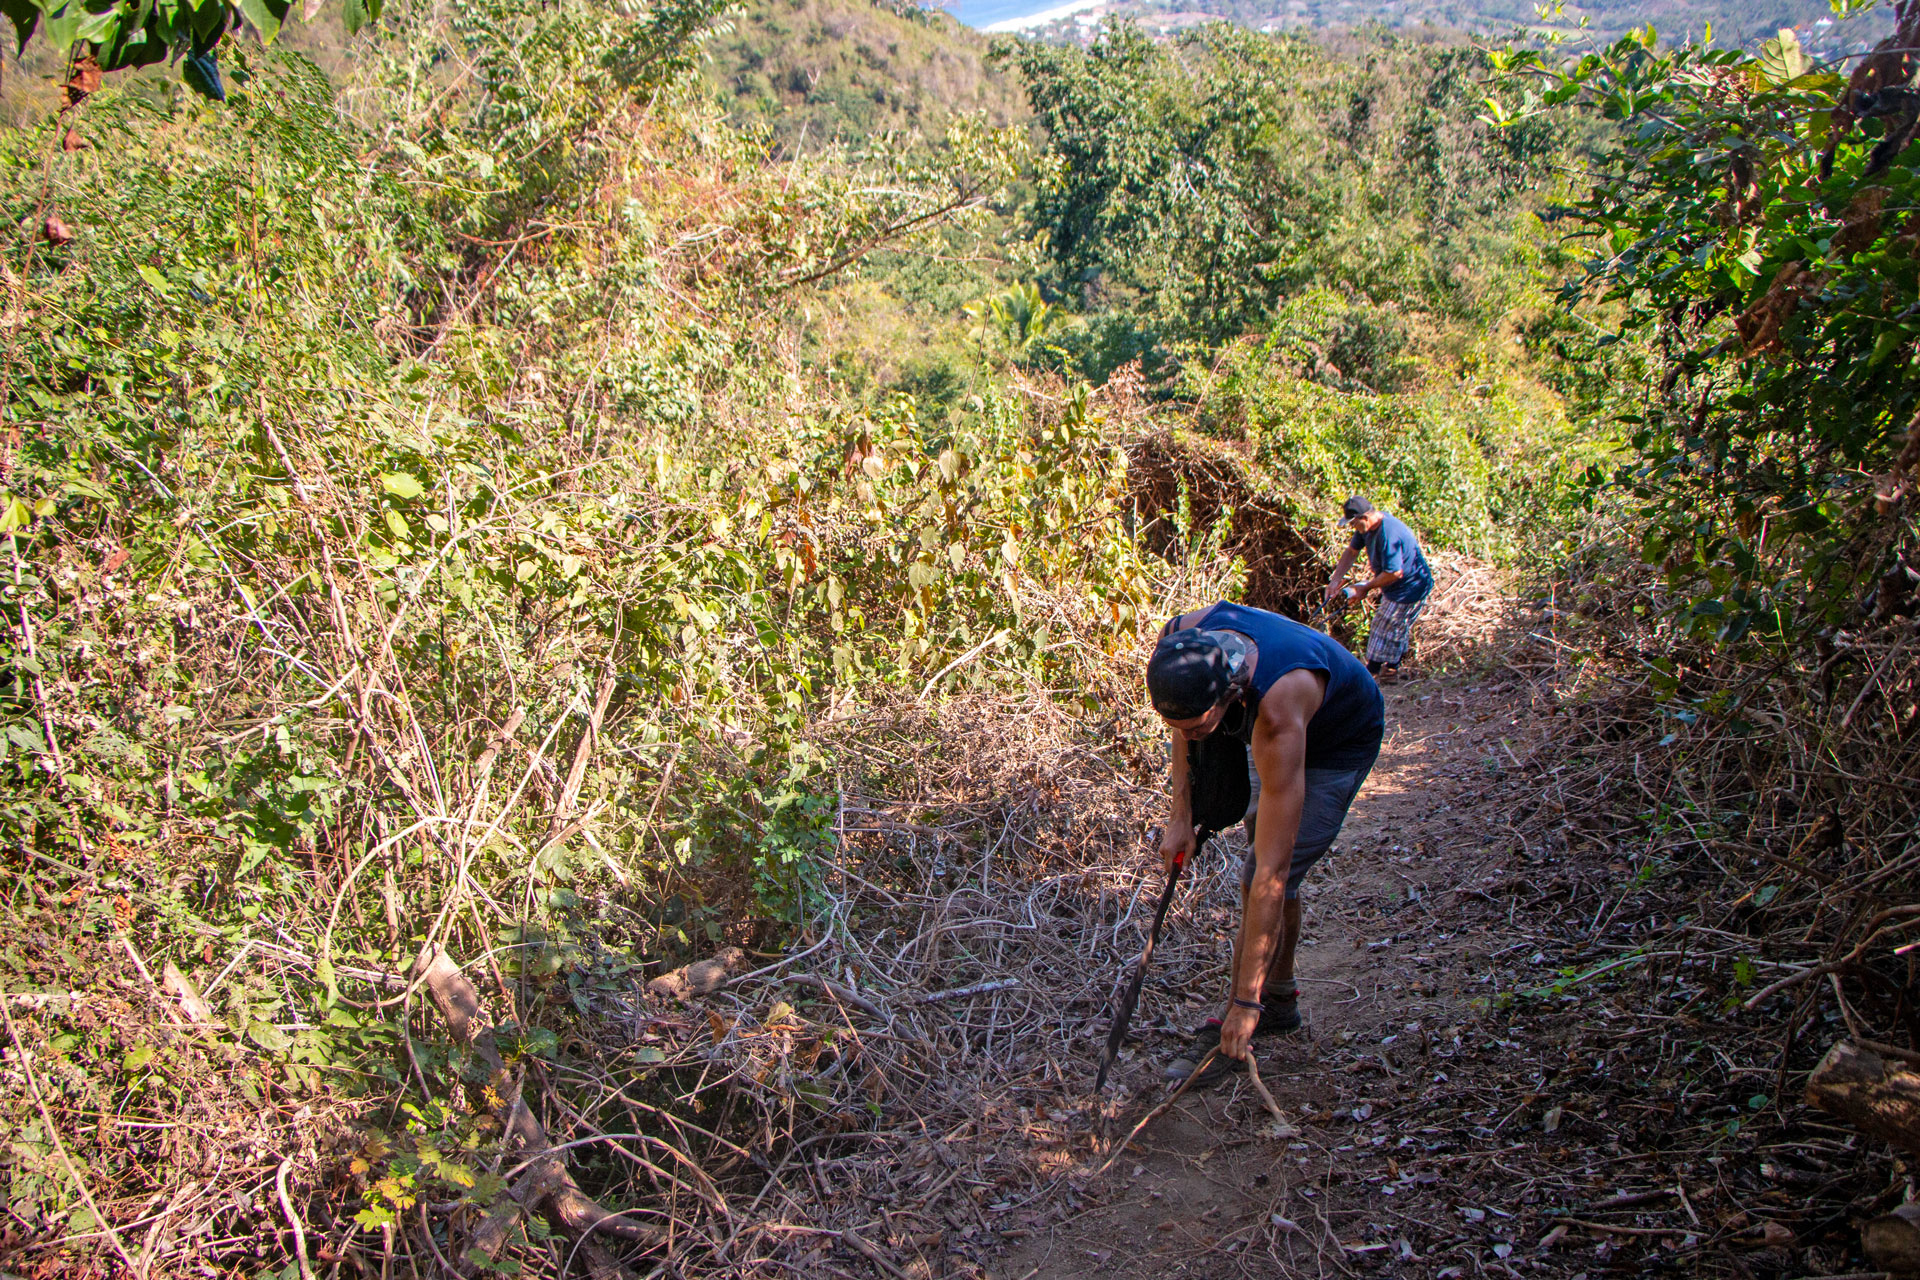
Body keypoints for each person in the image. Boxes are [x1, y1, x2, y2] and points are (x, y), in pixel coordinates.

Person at [1146, 602, 1385, 1083]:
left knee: (1266, 871)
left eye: (1198, 728)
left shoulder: (1275, 710)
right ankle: (1279, 998)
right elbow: (1184, 726)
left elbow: (1272, 877)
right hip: (1270, 714)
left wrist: (1242, 1004)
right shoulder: (1181, 645)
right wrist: (1180, 814)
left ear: (1225, 697)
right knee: (1263, 866)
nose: (1187, 737)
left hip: (1338, 737)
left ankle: (1245, 1017)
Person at [1326, 496, 1433, 679]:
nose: (1353, 528)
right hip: (1396, 584)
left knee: (1384, 624)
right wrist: (1335, 580)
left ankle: (1373, 672)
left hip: (1410, 586)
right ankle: (1391, 669)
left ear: (1364, 518)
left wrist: (1366, 588)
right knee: (1395, 625)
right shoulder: (1366, 529)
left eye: (1353, 524)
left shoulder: (1389, 533)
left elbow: (1394, 573)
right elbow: (1352, 552)